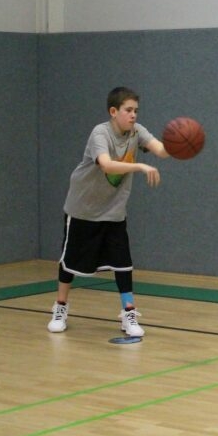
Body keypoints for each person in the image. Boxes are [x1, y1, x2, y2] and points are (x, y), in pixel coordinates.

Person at [47, 87, 169, 337]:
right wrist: (140, 166)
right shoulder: (100, 133)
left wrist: (179, 144)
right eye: (128, 110)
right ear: (114, 112)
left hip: (113, 210)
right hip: (83, 208)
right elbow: (106, 165)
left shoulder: (137, 131)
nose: (133, 115)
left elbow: (161, 150)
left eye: (136, 110)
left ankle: (129, 313)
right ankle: (60, 308)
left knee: (123, 263)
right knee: (70, 263)